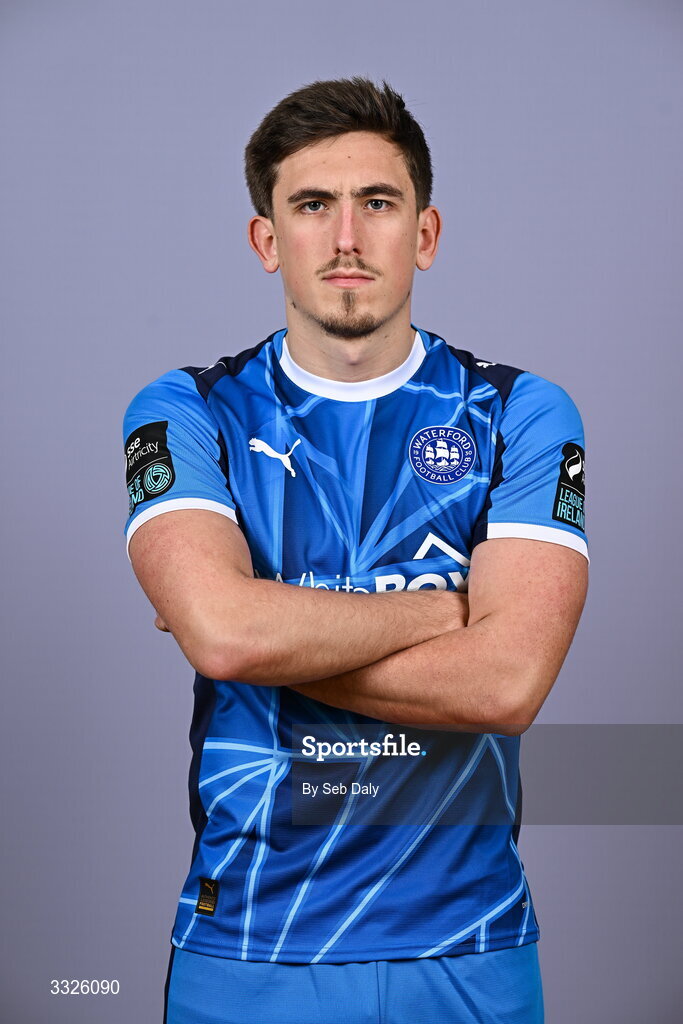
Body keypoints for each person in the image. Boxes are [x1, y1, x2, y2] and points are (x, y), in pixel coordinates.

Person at [122, 77, 588, 1024]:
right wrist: (439, 609)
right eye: (311, 205)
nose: (345, 237)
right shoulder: (185, 411)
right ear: (267, 241)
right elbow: (224, 637)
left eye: (377, 203)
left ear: (424, 233)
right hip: (249, 947)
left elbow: (505, 685)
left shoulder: (519, 412)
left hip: (470, 946)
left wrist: (267, 628)